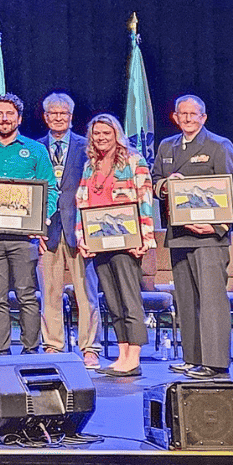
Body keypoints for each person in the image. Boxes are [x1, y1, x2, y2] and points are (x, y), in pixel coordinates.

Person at [151, 94, 233, 381]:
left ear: (203, 117)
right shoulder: (167, 146)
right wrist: (167, 185)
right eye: (183, 114)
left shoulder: (219, 145)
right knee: (186, 299)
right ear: (175, 117)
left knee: (212, 300)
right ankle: (192, 358)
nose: (188, 119)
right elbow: (154, 182)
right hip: (179, 235)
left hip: (209, 237)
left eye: (194, 114)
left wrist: (218, 227)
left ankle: (215, 363)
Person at [0, 93, 59, 356]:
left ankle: (30, 349)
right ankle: (1, 351)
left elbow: (51, 189)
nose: (4, 119)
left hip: (24, 238)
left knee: (27, 295)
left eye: (9, 114)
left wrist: (41, 220)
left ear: (19, 118)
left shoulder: (36, 150)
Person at [74, 114, 155, 377]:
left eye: (106, 133)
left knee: (130, 300)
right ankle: (122, 355)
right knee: (112, 300)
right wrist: (81, 237)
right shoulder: (90, 165)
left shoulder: (134, 161)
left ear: (116, 134)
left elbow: (145, 199)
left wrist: (145, 236)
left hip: (128, 242)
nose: (101, 138)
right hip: (99, 243)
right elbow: (81, 203)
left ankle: (134, 357)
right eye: (96, 133)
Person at [37, 93, 101, 369]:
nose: (58, 117)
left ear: (72, 117)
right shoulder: (34, 148)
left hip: (80, 230)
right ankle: (53, 345)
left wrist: (92, 231)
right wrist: (35, 229)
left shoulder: (88, 147)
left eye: (63, 113)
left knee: (86, 291)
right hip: (47, 231)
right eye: (53, 113)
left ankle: (90, 348)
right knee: (49, 291)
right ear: (45, 117)